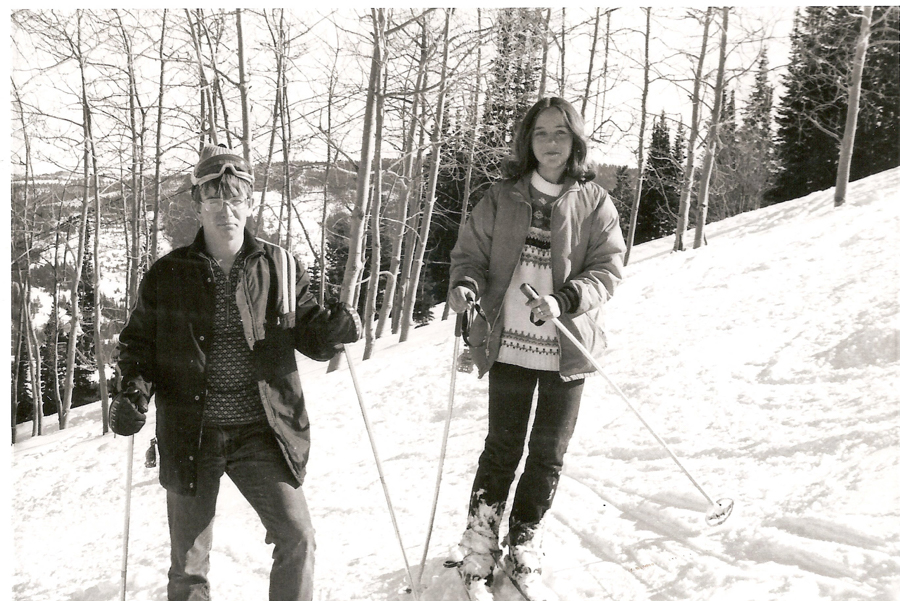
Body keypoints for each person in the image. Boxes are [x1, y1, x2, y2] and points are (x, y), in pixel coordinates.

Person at [108, 143, 360, 601]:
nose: (226, 208)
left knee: (297, 537)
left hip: (262, 431)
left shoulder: (280, 267)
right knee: (188, 566)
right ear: (197, 203)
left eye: (236, 195)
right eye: (213, 197)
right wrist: (131, 394)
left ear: (250, 200)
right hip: (191, 433)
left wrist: (335, 329)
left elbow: (310, 335)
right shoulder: (168, 274)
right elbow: (138, 346)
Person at [447, 97, 626, 599]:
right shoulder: (501, 197)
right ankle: (481, 539)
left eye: (560, 134)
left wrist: (563, 298)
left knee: (548, 453)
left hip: (567, 347)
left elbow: (607, 271)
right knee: (502, 449)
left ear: (575, 141)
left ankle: (525, 538)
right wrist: (465, 286)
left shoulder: (595, 203)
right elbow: (470, 256)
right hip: (509, 346)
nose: (550, 143)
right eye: (541, 133)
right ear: (528, 140)